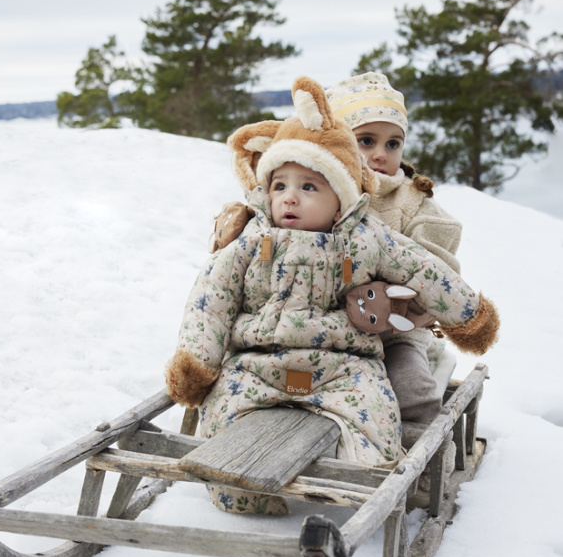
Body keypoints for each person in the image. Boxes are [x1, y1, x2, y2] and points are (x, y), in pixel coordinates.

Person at [165, 76, 499, 515]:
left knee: (401, 396)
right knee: (223, 410)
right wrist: (197, 359)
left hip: (368, 347)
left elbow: (426, 270)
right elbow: (212, 296)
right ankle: (235, 484)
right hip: (261, 358)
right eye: (280, 187)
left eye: (392, 143)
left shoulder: (387, 221)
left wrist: (465, 317)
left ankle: (407, 475)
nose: (379, 154)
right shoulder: (258, 231)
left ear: (341, 197)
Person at [325, 71, 461, 425]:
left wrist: (404, 301)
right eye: (366, 141)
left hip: (393, 334)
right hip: (319, 329)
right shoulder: (319, 188)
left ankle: (422, 456)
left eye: (393, 143)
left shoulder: (411, 202)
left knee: (409, 386)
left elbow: (438, 274)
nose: (380, 154)